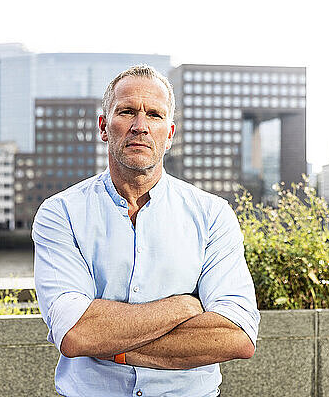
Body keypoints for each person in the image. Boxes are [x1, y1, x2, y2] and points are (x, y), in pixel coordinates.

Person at [33, 65, 260, 397]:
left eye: (154, 115)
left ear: (169, 135)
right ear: (103, 127)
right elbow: (78, 334)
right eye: (127, 112)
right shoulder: (62, 213)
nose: (140, 126)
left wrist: (113, 344)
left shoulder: (212, 215)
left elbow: (236, 335)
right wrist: (183, 307)